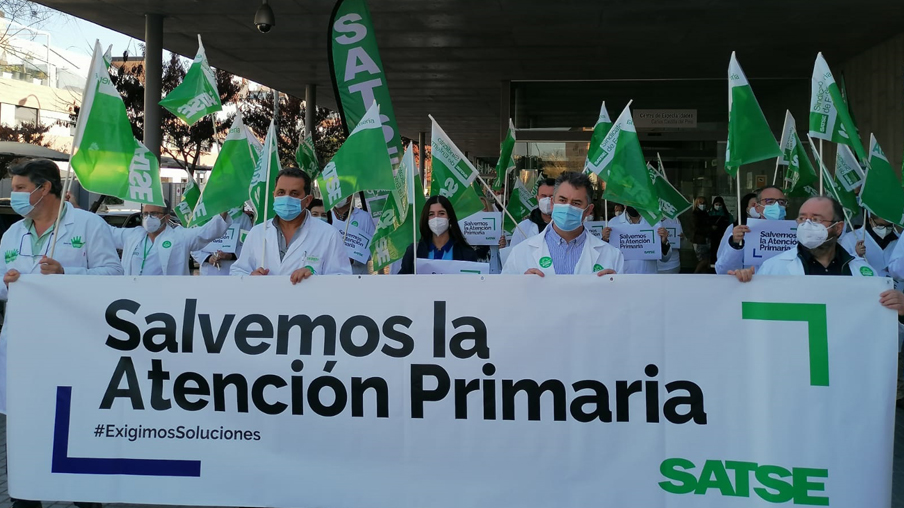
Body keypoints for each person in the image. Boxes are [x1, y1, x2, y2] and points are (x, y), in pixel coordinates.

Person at [0, 159, 119, 508]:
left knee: (76, 436)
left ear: (45, 188)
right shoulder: (13, 232)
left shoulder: (89, 224)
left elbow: (114, 275)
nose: (15, 195)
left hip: (72, 350)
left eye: (21, 188)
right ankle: (25, 496)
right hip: (24, 351)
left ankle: (84, 499)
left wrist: (67, 272)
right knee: (25, 442)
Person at [232, 167, 351, 281]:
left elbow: (342, 279)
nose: (286, 198)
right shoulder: (257, 232)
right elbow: (238, 271)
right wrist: (250, 277)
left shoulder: (329, 235)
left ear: (308, 200)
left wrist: (314, 278)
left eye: (294, 193)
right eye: (281, 192)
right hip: (265, 300)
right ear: (274, 195)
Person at [503, 171, 623, 276]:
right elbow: (506, 297)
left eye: (576, 203)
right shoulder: (520, 253)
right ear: (552, 203)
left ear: (588, 210)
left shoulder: (612, 256)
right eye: (562, 200)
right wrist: (520, 286)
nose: (567, 207)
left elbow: (621, 300)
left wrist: (613, 288)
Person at [108, 201, 230, 276]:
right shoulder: (132, 236)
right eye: (145, 214)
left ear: (166, 217)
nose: (148, 217)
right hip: (133, 296)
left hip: (167, 300)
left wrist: (225, 206)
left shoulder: (179, 237)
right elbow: (106, 232)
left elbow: (208, 232)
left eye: (154, 214)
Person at [715, 185, 787, 274]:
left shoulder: (795, 233)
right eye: (770, 201)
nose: (776, 206)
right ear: (757, 207)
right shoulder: (743, 231)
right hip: (750, 285)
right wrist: (735, 244)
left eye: (781, 202)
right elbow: (723, 270)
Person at [399, 195, 478, 274]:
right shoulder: (414, 251)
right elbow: (402, 281)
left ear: (449, 217)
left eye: (441, 213)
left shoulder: (466, 253)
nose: (436, 218)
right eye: (431, 214)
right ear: (426, 218)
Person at [602, 206, 671, 274]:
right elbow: (606, 255)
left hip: (648, 275)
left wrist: (663, 242)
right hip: (624, 275)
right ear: (624, 204)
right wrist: (605, 239)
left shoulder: (654, 222)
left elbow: (665, 259)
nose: (634, 206)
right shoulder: (613, 223)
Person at [843, 213, 901, 287]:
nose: (885, 229)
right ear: (871, 220)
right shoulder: (851, 239)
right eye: (880, 225)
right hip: (863, 290)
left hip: (895, 293)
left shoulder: (899, 241)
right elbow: (843, 268)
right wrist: (856, 255)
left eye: (889, 226)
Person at [191, 208, 254, 276]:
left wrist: (231, 256)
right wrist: (208, 258)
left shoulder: (243, 218)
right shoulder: (202, 216)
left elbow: (248, 246)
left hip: (233, 271)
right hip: (208, 272)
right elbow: (193, 244)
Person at [328, 193, 375, 275]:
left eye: (343, 193)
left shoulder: (364, 217)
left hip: (357, 276)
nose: (339, 197)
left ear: (351, 196)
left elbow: (373, 248)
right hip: (331, 275)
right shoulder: (327, 217)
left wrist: (354, 259)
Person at [510, 177, 556, 247]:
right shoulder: (523, 227)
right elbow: (514, 253)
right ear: (537, 198)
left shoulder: (567, 226)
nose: (547, 200)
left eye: (551, 197)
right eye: (543, 196)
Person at [708, 196, 733, 264]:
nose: (718, 206)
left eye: (720, 205)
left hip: (723, 238)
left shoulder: (727, 216)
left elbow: (731, 226)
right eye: (716, 204)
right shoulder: (708, 214)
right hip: (711, 239)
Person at [690, 196, 710, 273]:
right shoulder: (695, 214)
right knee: (704, 260)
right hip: (698, 240)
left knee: (706, 261)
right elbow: (695, 228)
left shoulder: (705, 213)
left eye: (704, 203)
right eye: (700, 203)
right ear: (696, 204)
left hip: (705, 240)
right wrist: (710, 228)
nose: (702, 204)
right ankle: (695, 274)